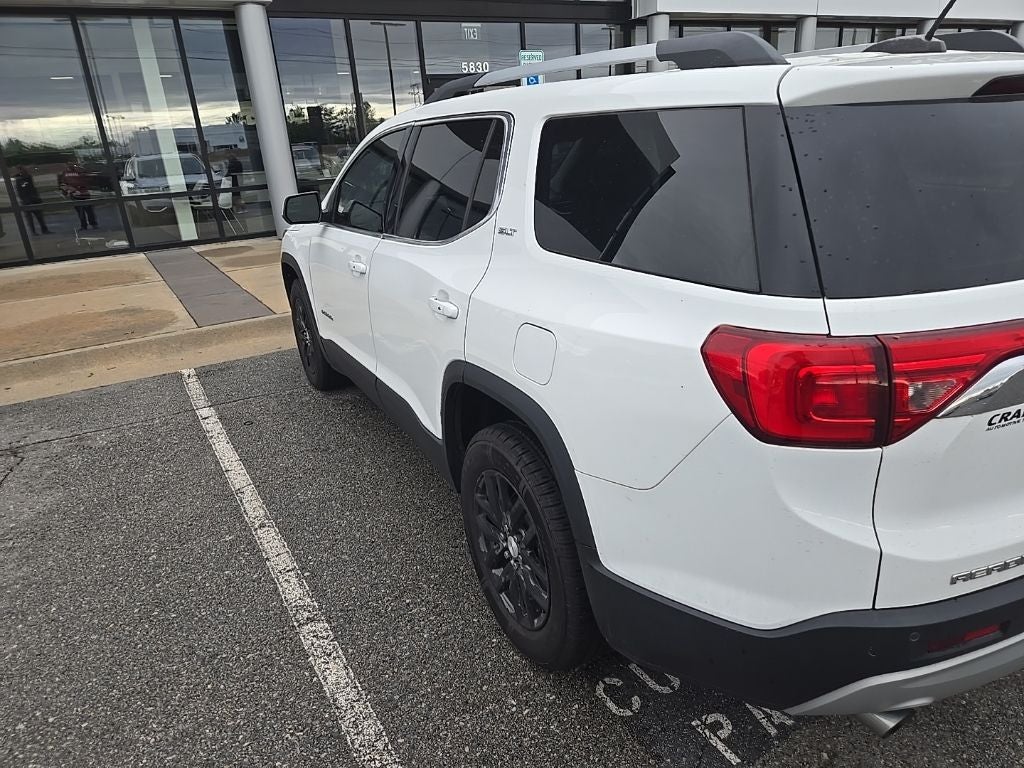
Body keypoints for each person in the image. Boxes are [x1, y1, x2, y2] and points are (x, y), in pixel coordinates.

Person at [60, 160, 98, 230]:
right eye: (69, 163)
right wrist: (65, 192)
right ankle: (84, 225)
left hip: (84, 192)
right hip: (74, 194)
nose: (71, 164)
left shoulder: (80, 170)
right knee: (80, 211)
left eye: (72, 163)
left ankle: (93, 224)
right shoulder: (65, 173)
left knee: (89, 210)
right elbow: (64, 183)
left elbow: (89, 178)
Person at [13, 166, 49, 235]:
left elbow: (32, 188)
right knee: (31, 218)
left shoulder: (27, 177)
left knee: (39, 217)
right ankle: (35, 232)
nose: (23, 171)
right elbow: (23, 188)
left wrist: (37, 197)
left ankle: (43, 230)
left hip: (32, 200)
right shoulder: (20, 179)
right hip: (27, 201)